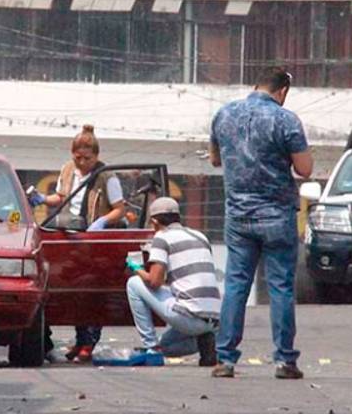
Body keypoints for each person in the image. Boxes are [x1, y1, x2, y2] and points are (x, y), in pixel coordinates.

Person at [208, 67, 313, 380]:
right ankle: (284, 360)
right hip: (277, 215)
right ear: (282, 91)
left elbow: (215, 159)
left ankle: (225, 359)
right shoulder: (285, 120)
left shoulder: (223, 114)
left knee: (236, 286)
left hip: (238, 215)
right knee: (280, 287)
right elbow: (305, 169)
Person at [30, 125, 126, 362]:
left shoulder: (106, 175)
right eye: (78, 157)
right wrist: (41, 199)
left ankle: (88, 342)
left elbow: (120, 209)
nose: (82, 162)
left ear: (96, 155)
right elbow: (61, 199)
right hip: (69, 236)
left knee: (90, 291)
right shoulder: (68, 170)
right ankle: (77, 340)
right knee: (68, 289)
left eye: (88, 158)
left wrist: (102, 222)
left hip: (93, 239)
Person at [123, 197, 220, 367]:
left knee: (133, 283)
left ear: (154, 221)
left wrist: (135, 267)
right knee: (167, 346)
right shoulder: (200, 235)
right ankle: (207, 344)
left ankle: (150, 346)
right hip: (214, 319)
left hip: (189, 317)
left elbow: (154, 282)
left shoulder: (162, 237)